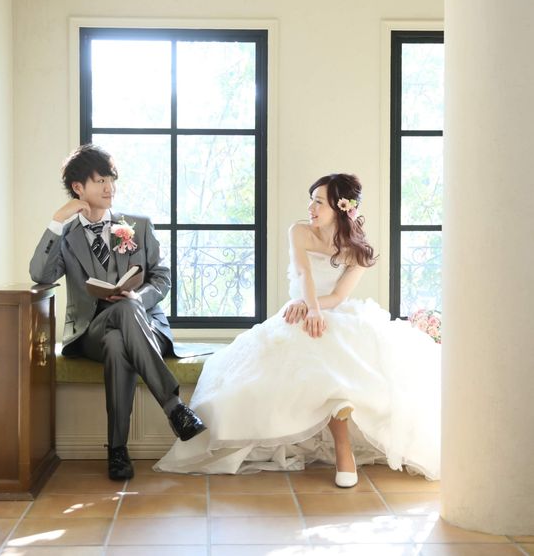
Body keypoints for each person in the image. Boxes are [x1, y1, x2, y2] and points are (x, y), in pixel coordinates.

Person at [154, 173, 441, 485]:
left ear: (340, 207)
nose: (311, 208)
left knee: (337, 354)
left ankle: (342, 432)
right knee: (306, 351)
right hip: (299, 313)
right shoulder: (300, 231)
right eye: (311, 200)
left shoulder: (358, 250)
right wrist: (308, 307)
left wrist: (313, 307)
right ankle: (338, 419)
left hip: (332, 312)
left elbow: (339, 296)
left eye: (319, 202)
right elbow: (304, 274)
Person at [30, 144, 206, 480]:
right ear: (78, 187)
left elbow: (162, 278)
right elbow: (40, 274)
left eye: (111, 179)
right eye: (100, 181)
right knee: (111, 333)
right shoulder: (66, 235)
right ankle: (174, 408)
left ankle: (117, 451)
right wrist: (56, 221)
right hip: (90, 333)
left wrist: (138, 298)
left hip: (143, 325)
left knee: (118, 337)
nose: (109, 187)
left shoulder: (138, 225)